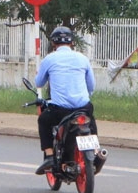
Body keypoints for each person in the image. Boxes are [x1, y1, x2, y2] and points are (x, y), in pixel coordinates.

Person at [33, 25, 101, 175]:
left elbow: (39, 83)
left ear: (53, 43)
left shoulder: (49, 59)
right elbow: (91, 86)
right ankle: (96, 151)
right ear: (72, 42)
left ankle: (50, 156)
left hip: (60, 110)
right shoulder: (83, 59)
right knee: (91, 120)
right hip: (83, 107)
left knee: (43, 120)